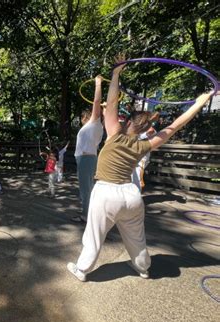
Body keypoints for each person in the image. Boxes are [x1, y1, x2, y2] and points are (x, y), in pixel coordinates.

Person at [67, 54, 214, 282]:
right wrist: (199, 102)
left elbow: (112, 101)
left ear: (127, 122)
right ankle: (143, 267)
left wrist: (117, 72)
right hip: (131, 195)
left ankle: (82, 269)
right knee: (136, 237)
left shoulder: (114, 133)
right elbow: (174, 126)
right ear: (145, 128)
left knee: (94, 235)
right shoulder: (144, 144)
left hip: (106, 192)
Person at [72, 75, 105, 223]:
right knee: (87, 189)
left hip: (86, 158)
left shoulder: (94, 123)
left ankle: (86, 216)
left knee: (86, 190)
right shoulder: (94, 126)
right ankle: (90, 214)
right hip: (85, 159)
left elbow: (96, 102)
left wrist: (98, 84)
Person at [132, 116, 159, 192]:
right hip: (135, 157)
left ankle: (137, 194)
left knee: (138, 176)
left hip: (142, 158)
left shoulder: (150, 130)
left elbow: (151, 131)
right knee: (133, 176)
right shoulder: (139, 130)